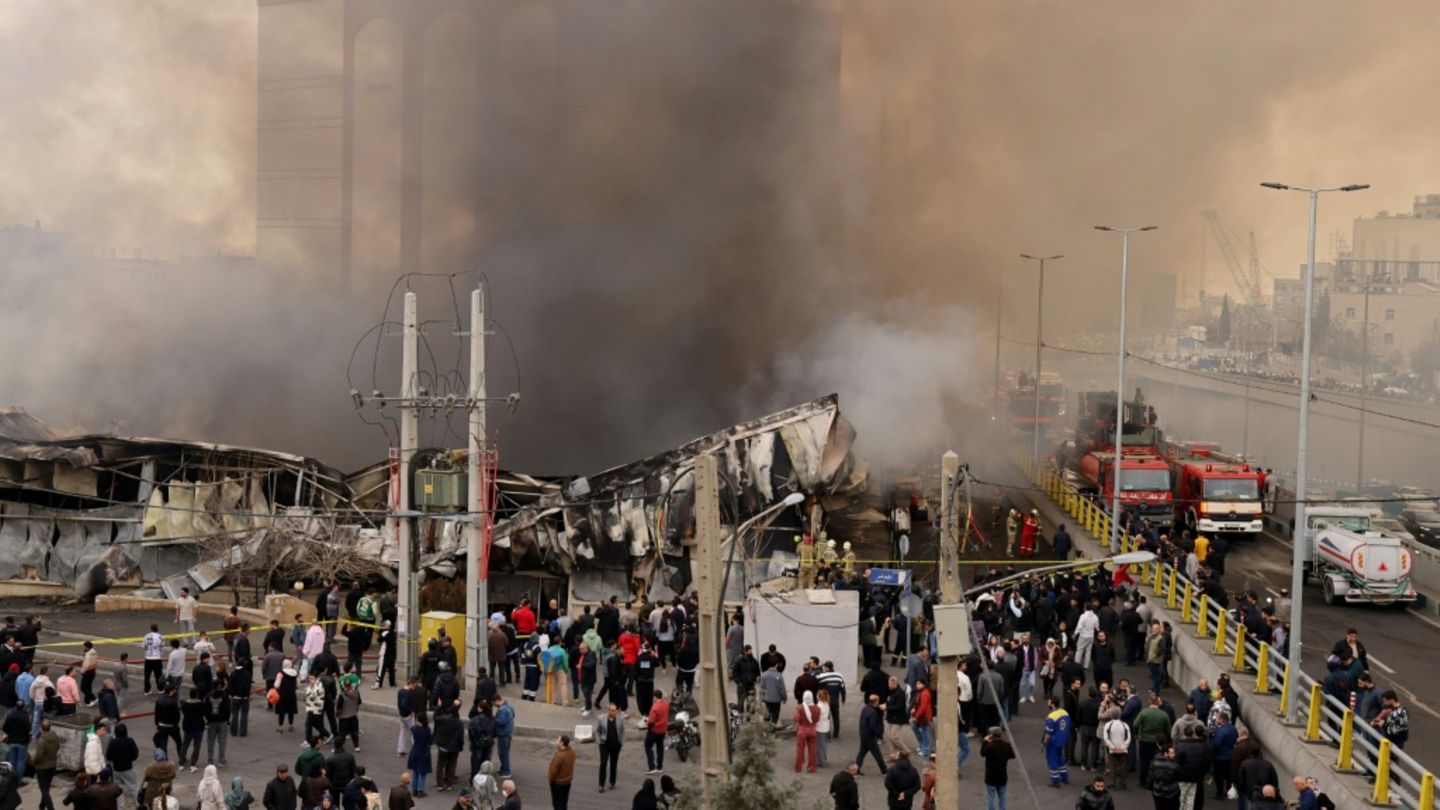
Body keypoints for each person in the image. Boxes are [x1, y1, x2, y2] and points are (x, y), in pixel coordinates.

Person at [981, 727, 1015, 810]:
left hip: (991, 777)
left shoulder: (990, 746)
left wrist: (985, 742)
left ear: (992, 735)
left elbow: (982, 753)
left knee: (990, 796)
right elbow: (1012, 755)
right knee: (1002, 796)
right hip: (1002, 776)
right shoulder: (1006, 745)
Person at [434, 705, 464, 792]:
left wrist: (439, 707)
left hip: (443, 746)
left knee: (440, 766)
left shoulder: (444, 719)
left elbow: (435, 717)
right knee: (451, 766)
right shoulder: (459, 723)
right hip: (454, 748)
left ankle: (440, 784)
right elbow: (460, 737)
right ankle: (449, 783)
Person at [595, 703, 624, 793]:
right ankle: (601, 784)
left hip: (615, 745)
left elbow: (623, 732)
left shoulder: (620, 719)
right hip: (605, 744)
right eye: (611, 710)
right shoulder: (601, 718)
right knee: (603, 763)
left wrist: (621, 743)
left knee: (613, 763)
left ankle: (612, 781)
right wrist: (599, 741)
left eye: (615, 710)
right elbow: (597, 731)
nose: (613, 712)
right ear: (608, 710)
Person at [1043, 696, 1071, 788]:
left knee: (1052, 760)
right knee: (1060, 758)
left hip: (1053, 742)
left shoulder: (1051, 717)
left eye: (1049, 702)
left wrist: (1044, 742)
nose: (1048, 704)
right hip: (1062, 740)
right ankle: (1064, 777)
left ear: (1052, 704)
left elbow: (1048, 733)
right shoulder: (1065, 712)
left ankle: (1055, 780)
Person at [34, 718, 61, 810]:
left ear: (41, 729)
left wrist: (34, 762)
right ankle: (42, 805)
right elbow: (57, 747)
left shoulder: (42, 741)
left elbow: (39, 756)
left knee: (44, 789)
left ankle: (50, 807)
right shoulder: (55, 737)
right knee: (46, 787)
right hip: (52, 765)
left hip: (42, 767)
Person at [857, 693, 887, 775]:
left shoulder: (865, 709)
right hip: (870, 737)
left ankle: (856, 769)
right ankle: (884, 770)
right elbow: (873, 726)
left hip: (863, 734)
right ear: (876, 702)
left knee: (862, 753)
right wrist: (878, 735)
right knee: (878, 754)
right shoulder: (873, 713)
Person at [885, 676, 913, 758]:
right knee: (891, 738)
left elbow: (899, 706)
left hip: (898, 718)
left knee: (894, 737)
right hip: (891, 717)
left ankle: (906, 751)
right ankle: (893, 755)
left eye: (889, 684)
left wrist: (887, 707)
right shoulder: (892, 692)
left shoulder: (900, 693)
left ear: (894, 684)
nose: (888, 686)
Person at [794, 691, 820, 773]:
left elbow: (796, 718)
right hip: (812, 730)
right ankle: (812, 768)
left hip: (802, 730)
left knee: (800, 749)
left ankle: (798, 767)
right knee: (812, 749)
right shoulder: (817, 708)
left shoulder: (799, 708)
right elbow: (817, 719)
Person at [644, 690, 669, 774]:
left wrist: (648, 727)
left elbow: (651, 721)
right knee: (660, 748)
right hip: (663, 730)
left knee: (648, 746)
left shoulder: (654, 707)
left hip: (654, 730)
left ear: (655, 697)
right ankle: (660, 767)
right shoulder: (666, 705)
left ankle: (652, 767)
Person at [547, 735, 575, 810]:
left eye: (557, 741)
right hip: (567, 782)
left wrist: (550, 780)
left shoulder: (559, 756)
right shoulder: (572, 752)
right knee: (564, 803)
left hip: (558, 784)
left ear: (562, 743)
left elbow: (553, 771)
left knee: (557, 804)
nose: (556, 742)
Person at [1148, 746, 1181, 810]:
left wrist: (1150, 788)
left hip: (1158, 792)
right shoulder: (1175, 766)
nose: (1174, 755)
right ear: (1166, 754)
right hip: (1171, 793)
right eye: (1172, 753)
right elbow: (1180, 777)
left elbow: (1150, 777)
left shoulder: (1154, 763)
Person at [407, 716, 433, 797]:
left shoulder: (414, 729)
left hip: (415, 751)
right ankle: (420, 790)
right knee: (422, 772)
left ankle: (414, 789)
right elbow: (430, 741)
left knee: (415, 771)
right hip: (424, 752)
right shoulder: (427, 730)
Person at [494, 695, 515, 779]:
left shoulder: (502, 709)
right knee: (504, 752)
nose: (494, 705)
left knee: (503, 753)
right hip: (508, 733)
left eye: (494, 703)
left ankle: (506, 771)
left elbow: (500, 722)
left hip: (504, 733)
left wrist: (493, 719)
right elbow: (513, 715)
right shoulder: (509, 706)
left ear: (496, 700)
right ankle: (503, 769)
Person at [760, 659, 786, 726]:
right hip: (776, 700)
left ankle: (766, 731)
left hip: (767, 699)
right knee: (775, 716)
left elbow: (762, 688)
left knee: (766, 715)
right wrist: (784, 698)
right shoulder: (779, 676)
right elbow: (782, 689)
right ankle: (772, 730)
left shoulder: (764, 675)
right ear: (776, 665)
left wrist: (762, 698)